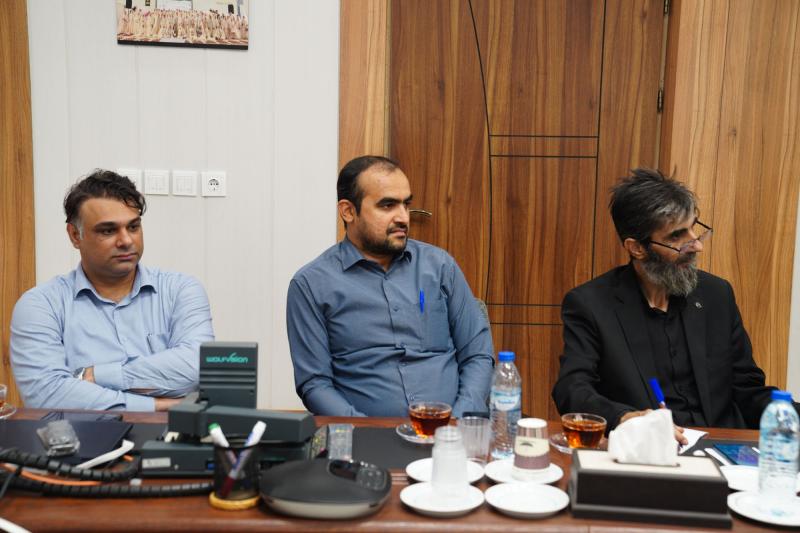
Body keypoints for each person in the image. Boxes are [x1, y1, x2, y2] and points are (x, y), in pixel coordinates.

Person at [552, 168, 797, 440]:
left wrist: (792, 415)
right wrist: (626, 419)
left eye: (694, 229)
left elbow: (747, 389)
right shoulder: (592, 304)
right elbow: (572, 389)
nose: (696, 246)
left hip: (720, 446)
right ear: (637, 248)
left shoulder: (716, 294)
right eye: (676, 237)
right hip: (651, 450)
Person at [287, 155, 494, 417]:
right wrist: (366, 431)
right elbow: (314, 384)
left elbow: (478, 355)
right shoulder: (311, 285)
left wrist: (456, 423)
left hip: (451, 431)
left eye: (406, 204)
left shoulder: (440, 267)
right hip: (364, 436)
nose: (403, 218)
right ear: (348, 211)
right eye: (387, 205)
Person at [11, 170, 214, 411]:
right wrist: (156, 405)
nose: (126, 240)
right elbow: (47, 394)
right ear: (75, 235)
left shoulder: (181, 290)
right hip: (83, 436)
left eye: (133, 226)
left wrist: (97, 376)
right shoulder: (40, 306)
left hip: (173, 434)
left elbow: (196, 368)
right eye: (108, 230)